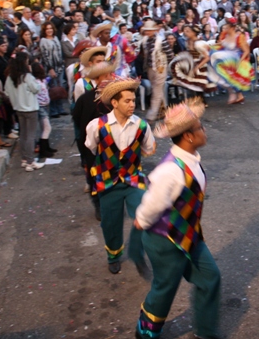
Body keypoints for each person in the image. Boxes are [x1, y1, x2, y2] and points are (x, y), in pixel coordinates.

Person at [134, 99, 221, 339]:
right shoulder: (170, 170)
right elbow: (151, 204)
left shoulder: (191, 159)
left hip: (189, 235)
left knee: (210, 277)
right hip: (166, 240)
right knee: (165, 288)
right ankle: (145, 331)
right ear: (189, 137)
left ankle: (205, 332)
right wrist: (141, 221)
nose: (204, 130)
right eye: (200, 128)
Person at [85, 78, 156, 275]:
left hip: (133, 179)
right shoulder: (96, 126)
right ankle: (113, 256)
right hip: (107, 182)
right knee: (110, 223)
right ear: (115, 103)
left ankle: (137, 251)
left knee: (144, 215)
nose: (132, 104)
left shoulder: (141, 125)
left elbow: (148, 148)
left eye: (133, 100)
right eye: (127, 101)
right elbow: (92, 147)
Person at [72, 61, 117, 219]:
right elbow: (77, 118)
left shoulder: (117, 97)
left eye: (111, 75)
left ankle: (112, 203)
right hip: (92, 146)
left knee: (114, 173)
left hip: (114, 144)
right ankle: (98, 205)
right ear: (97, 79)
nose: (110, 78)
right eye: (105, 76)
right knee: (94, 175)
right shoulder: (85, 99)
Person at [4, 52, 45, 172]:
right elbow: (36, 89)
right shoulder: (27, 76)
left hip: (18, 108)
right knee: (31, 136)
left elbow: (7, 93)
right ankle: (30, 162)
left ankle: (24, 159)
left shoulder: (10, 77)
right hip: (30, 108)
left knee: (23, 134)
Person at [208, 17, 254, 105]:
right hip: (226, 60)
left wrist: (240, 61)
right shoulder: (226, 35)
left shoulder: (239, 37)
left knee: (231, 78)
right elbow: (222, 44)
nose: (225, 29)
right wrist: (211, 46)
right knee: (225, 77)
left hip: (235, 60)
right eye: (225, 27)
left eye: (227, 28)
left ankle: (237, 95)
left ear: (232, 28)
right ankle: (237, 95)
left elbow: (246, 51)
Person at [138, 20, 174, 122]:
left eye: (150, 30)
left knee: (156, 91)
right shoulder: (145, 40)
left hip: (160, 69)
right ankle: (164, 111)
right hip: (150, 68)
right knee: (157, 90)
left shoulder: (161, 41)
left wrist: (166, 66)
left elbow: (170, 55)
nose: (147, 32)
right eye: (146, 30)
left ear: (154, 30)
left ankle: (151, 116)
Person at [170, 25, 216, 102]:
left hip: (200, 63)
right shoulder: (187, 41)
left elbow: (207, 57)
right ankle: (197, 99)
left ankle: (202, 101)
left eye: (188, 31)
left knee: (198, 82)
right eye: (186, 31)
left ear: (194, 33)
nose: (186, 33)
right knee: (191, 82)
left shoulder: (199, 43)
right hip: (191, 62)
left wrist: (197, 67)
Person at [39, 21, 67, 117]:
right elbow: (45, 56)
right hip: (50, 68)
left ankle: (60, 108)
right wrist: (50, 69)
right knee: (53, 89)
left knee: (60, 87)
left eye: (50, 28)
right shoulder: (43, 41)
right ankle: (53, 110)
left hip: (59, 67)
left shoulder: (56, 38)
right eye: (47, 29)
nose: (49, 30)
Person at [31, 62, 56, 159]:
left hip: (44, 105)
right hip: (40, 106)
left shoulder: (41, 80)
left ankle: (46, 147)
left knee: (44, 127)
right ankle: (43, 149)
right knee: (47, 127)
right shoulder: (35, 82)